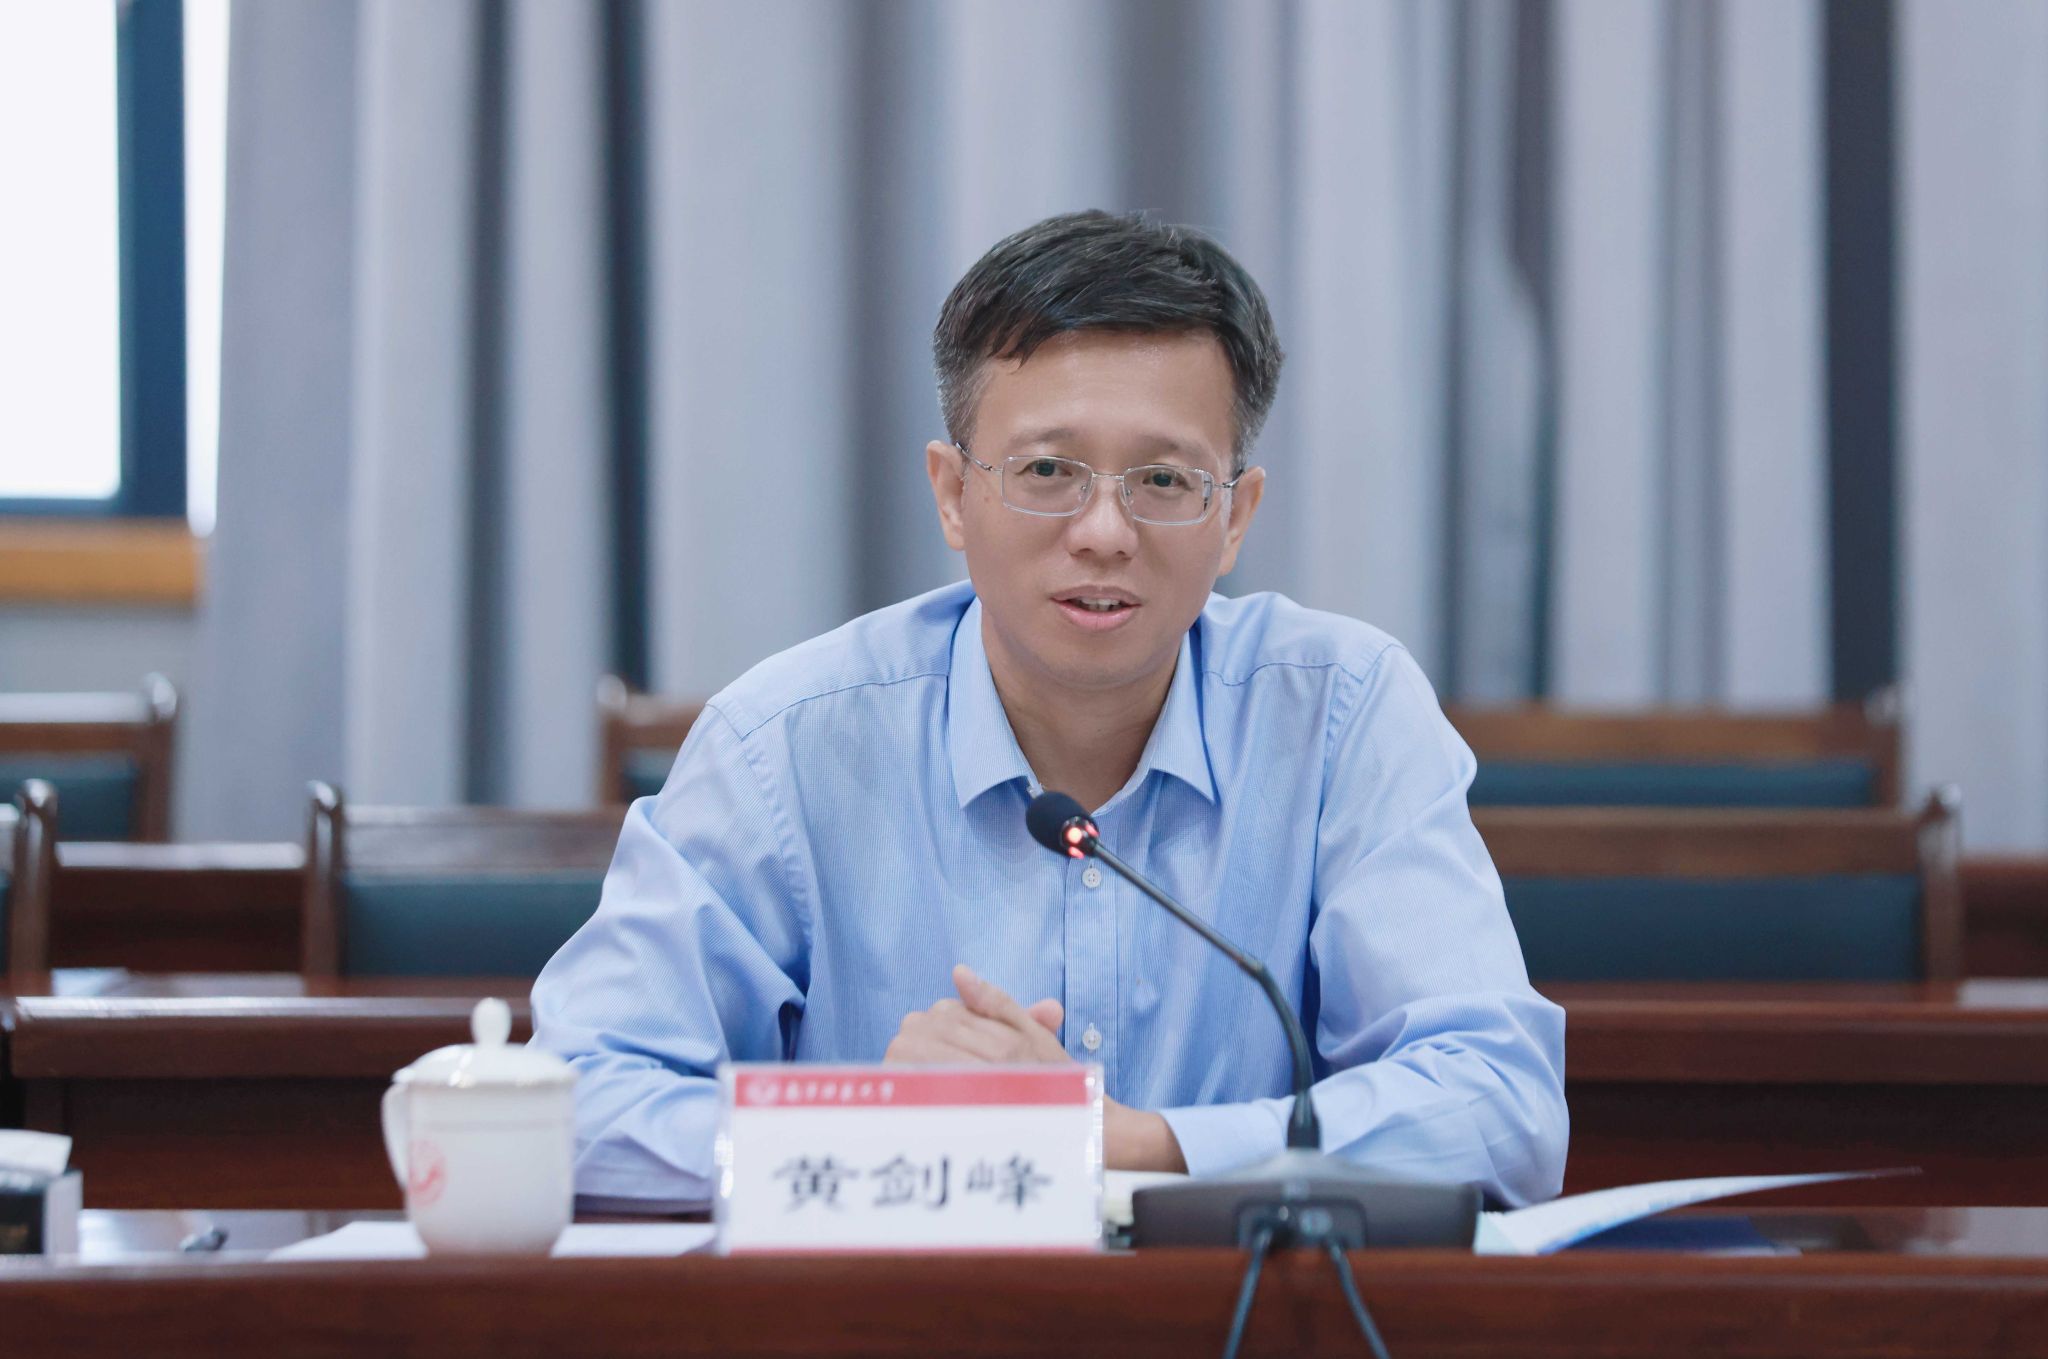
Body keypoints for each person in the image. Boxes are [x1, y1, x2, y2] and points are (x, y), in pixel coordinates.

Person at [531, 209, 1567, 1208]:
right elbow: (576, 1101)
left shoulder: (1339, 716)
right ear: (952, 493)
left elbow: (1502, 1105)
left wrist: (1128, 1146)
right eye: (1047, 471)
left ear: (1235, 517)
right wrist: (872, 1130)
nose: (1104, 531)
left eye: (1164, 480)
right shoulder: (785, 745)